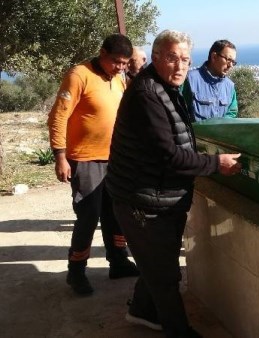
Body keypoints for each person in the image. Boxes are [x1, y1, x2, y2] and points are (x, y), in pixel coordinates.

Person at [105, 30, 241, 337]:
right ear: (155, 58)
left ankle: (140, 311)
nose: (179, 66)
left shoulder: (163, 87)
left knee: (156, 264)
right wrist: (216, 164)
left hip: (157, 197)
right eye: (171, 58)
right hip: (144, 202)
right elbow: (170, 155)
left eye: (184, 59)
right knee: (165, 276)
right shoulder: (148, 94)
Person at [48, 33, 139, 296]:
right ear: (102, 53)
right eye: (116, 62)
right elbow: (58, 117)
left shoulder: (119, 78)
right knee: (88, 216)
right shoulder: (79, 75)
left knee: (116, 212)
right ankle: (76, 271)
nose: (120, 67)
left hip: (116, 158)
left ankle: (118, 261)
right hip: (85, 159)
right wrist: (60, 157)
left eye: (125, 63)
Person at [183, 39, 238, 121]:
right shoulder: (190, 79)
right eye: (228, 60)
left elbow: (232, 112)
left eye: (233, 62)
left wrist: (220, 127)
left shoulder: (229, 86)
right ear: (214, 57)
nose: (231, 65)